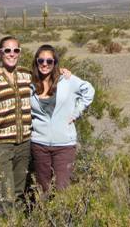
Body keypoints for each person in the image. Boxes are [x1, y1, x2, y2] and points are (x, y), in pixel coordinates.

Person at [0, 37, 33, 212]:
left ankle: (14, 222)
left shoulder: (27, 75)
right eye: (7, 50)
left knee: (18, 192)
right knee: (5, 194)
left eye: (15, 50)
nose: (12, 54)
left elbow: (47, 83)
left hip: (24, 143)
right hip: (0, 146)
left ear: (20, 53)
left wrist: (62, 72)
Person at [30, 44, 94, 193]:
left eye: (49, 61)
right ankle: (44, 216)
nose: (45, 64)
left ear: (54, 63)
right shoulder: (30, 85)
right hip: (39, 144)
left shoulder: (66, 80)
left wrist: (77, 112)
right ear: (36, 62)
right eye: (41, 61)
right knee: (43, 190)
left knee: (62, 189)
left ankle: (62, 217)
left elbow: (89, 90)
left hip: (64, 145)